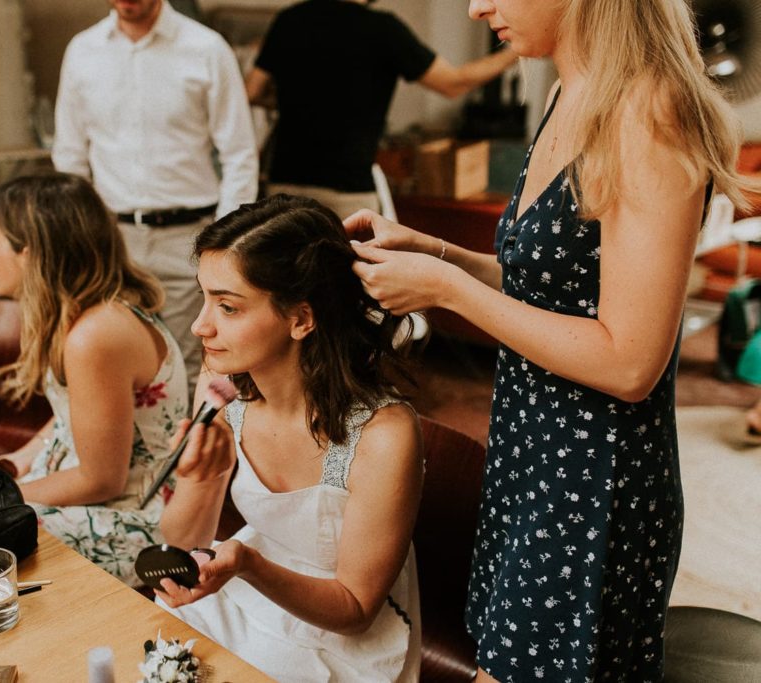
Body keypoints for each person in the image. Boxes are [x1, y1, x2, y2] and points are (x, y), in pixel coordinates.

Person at [347, 0, 760, 680]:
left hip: (592, 482)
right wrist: (437, 252)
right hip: (528, 453)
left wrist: (448, 292)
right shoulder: (574, 89)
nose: (478, 8)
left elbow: (630, 361)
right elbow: (548, 281)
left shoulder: (652, 108)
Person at [154, 195, 424, 682]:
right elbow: (183, 541)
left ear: (301, 319)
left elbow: (356, 608)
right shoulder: (222, 391)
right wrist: (202, 479)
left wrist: (247, 564)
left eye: (228, 307)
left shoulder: (384, 435)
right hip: (240, 598)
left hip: (345, 638)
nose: (199, 325)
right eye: (204, 297)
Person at [0, 173, 188, 587]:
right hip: (99, 496)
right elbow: (70, 415)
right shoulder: (85, 316)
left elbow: (101, 479)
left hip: (133, 519)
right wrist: (16, 461)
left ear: (29, 253)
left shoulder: (96, 335)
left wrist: (4, 500)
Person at [52, 0, 258, 402]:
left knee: (194, 361)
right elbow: (70, 155)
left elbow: (239, 153)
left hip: (191, 236)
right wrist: (85, 235)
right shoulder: (82, 49)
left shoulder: (206, 48)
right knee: (112, 355)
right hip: (111, 238)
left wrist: (224, 242)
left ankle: (187, 462)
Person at [245, 0, 518, 219]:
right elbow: (453, 83)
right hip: (348, 192)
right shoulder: (383, 29)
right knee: (350, 284)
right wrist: (515, 51)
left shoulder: (290, 19)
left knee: (286, 285)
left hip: (284, 186)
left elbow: (252, 92)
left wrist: (295, 99)